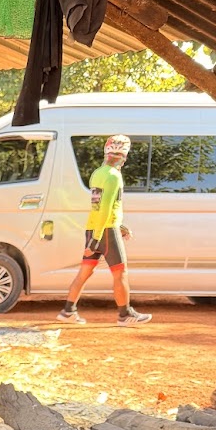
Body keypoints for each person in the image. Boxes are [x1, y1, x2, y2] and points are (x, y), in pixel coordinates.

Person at [58, 134, 151, 326]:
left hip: (94, 228)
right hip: (106, 231)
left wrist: (103, 234)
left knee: (84, 272)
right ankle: (125, 315)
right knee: (121, 272)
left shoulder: (98, 173)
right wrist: (100, 237)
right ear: (123, 156)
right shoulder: (114, 176)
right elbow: (106, 208)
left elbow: (98, 207)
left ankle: (68, 311)